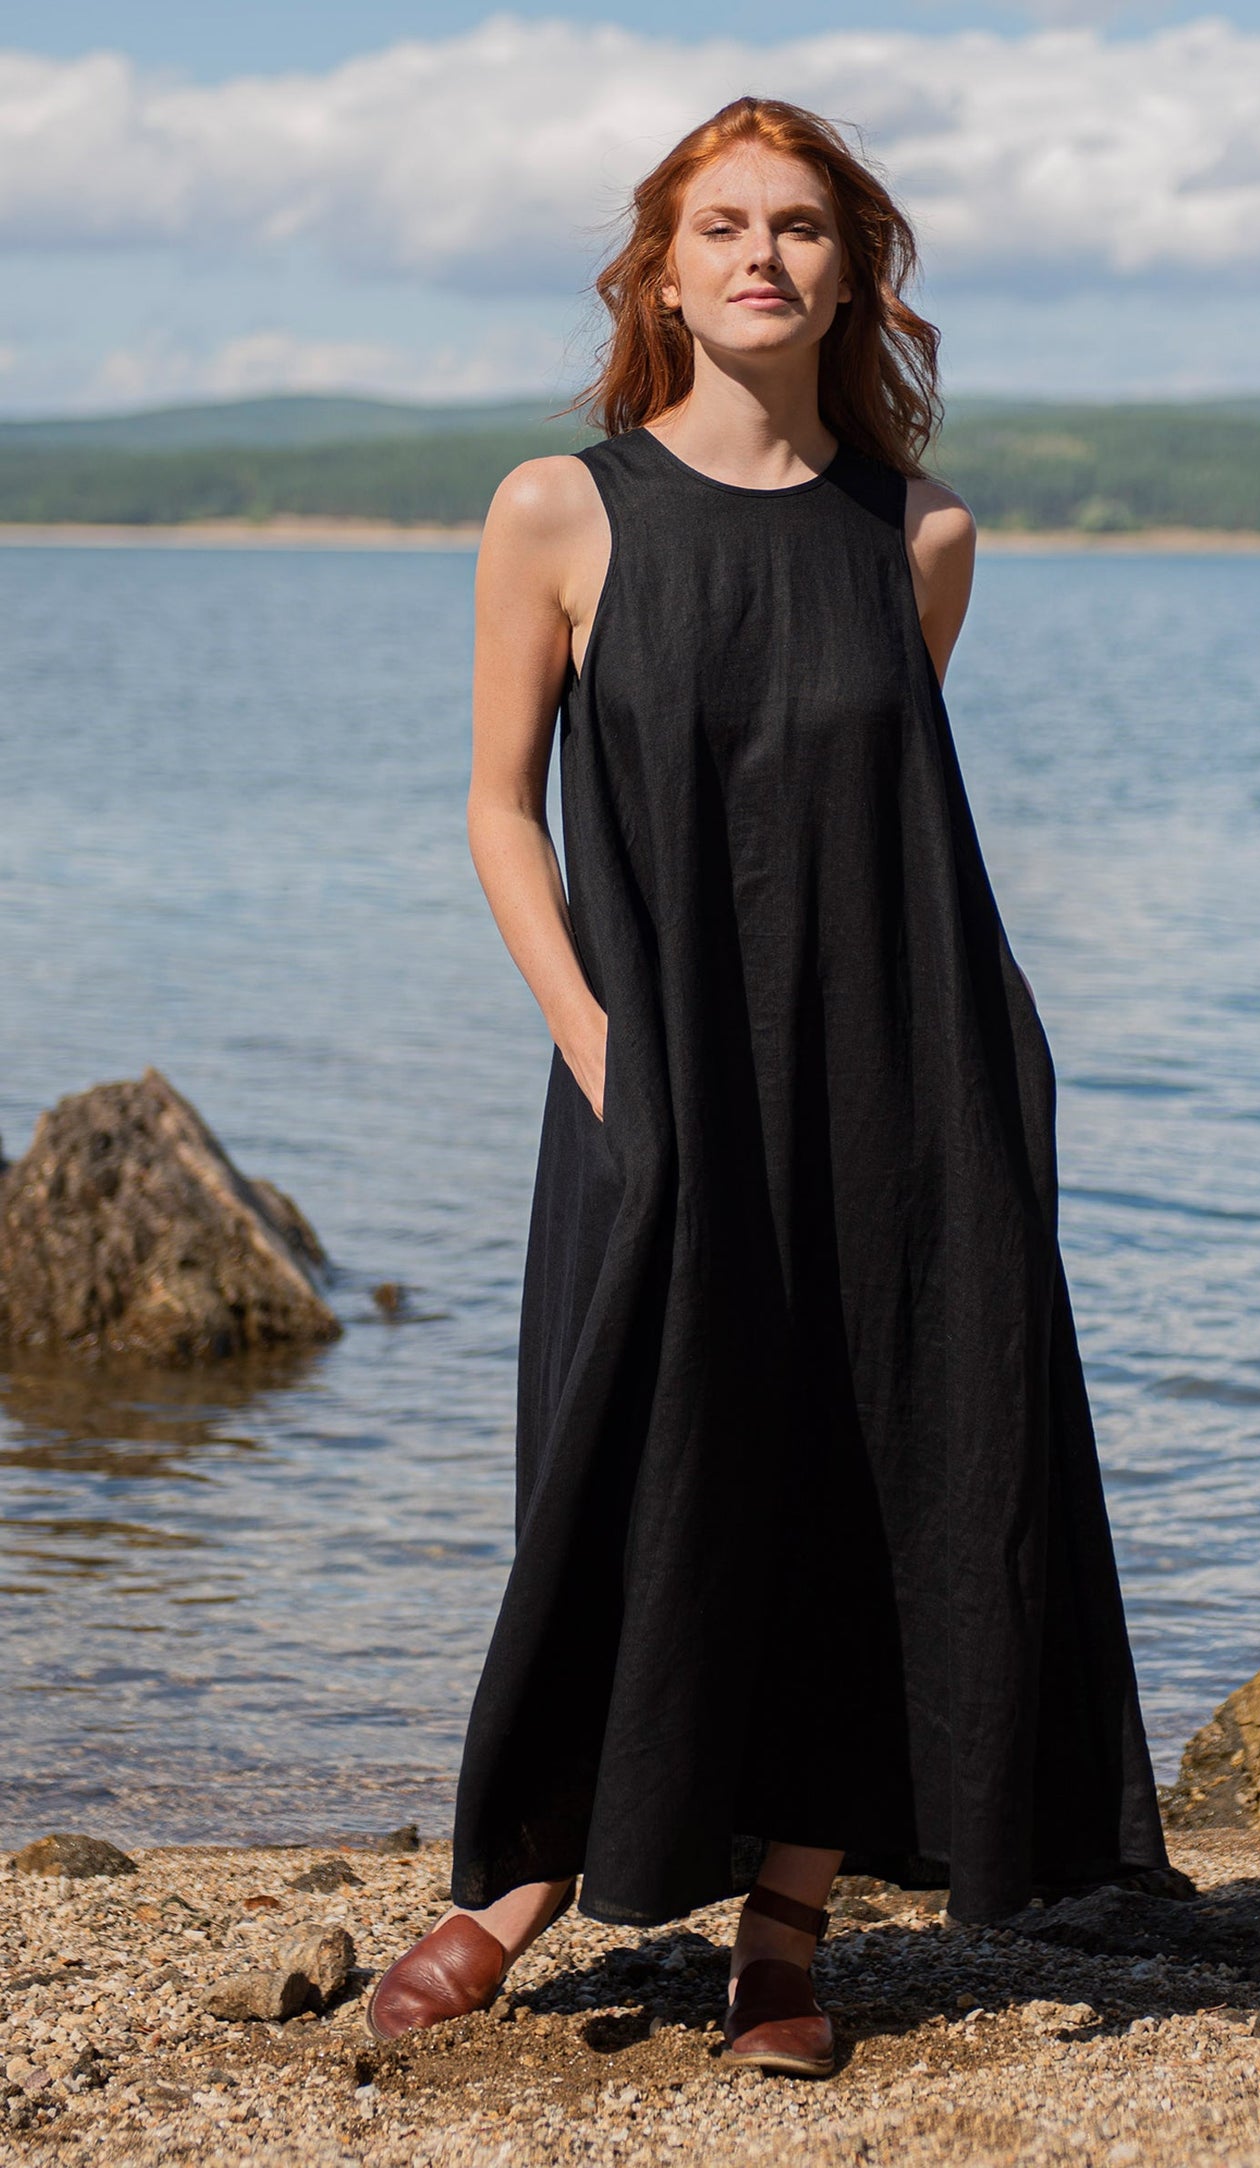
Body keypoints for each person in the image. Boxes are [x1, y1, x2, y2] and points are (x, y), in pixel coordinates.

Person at [365, 93, 1168, 2078]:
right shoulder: (560, 510)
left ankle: (785, 1935)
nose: (761, 255)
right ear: (658, 268)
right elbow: (494, 808)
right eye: (720, 222)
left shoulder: (920, 535)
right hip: (650, 1074)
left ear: (850, 271)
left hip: (903, 1083)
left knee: (862, 1462)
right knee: (623, 1460)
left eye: (801, 225)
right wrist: (605, 1052)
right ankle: (528, 1868)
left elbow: (869, 843)